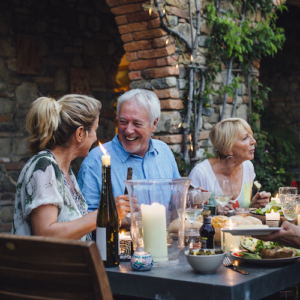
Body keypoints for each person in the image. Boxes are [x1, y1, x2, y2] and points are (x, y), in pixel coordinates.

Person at [12, 94, 125, 241]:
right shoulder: (43, 167)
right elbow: (46, 235)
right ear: (79, 134)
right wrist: (106, 212)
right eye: (94, 130)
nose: (96, 138)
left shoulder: (66, 172)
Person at [77, 89, 181, 222]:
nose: (128, 130)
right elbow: (85, 223)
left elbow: (176, 198)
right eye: (123, 122)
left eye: (137, 123)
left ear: (154, 124)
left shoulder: (164, 152)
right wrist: (119, 216)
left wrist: (193, 196)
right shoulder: (95, 161)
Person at [188, 118, 270, 215]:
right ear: (227, 148)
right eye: (245, 138)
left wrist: (253, 206)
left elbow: (241, 216)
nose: (254, 141)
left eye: (251, 136)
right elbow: (189, 215)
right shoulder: (201, 173)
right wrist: (215, 211)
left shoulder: (248, 167)